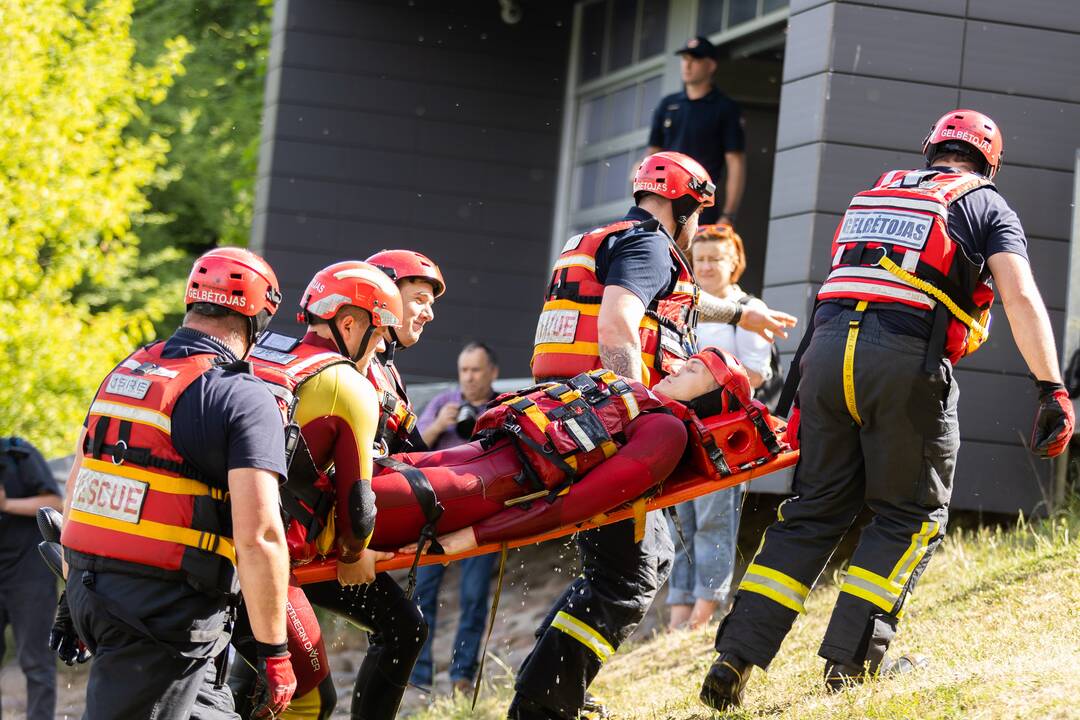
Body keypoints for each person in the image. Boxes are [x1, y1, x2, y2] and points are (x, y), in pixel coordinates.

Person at [699, 109, 1076, 711]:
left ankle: (734, 657)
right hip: (904, 361)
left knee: (812, 512)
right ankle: (851, 662)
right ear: (990, 163)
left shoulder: (875, 195)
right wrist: (1051, 387)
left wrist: (797, 396)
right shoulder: (986, 206)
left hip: (825, 356)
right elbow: (1019, 294)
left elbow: (837, 289)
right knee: (909, 513)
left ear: (932, 150)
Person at [513, 150, 796, 720]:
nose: (695, 227)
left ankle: (553, 689)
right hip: (598, 425)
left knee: (624, 567)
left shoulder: (608, 238)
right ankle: (545, 702)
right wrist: (630, 413)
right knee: (632, 571)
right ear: (684, 203)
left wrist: (743, 317)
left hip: (564, 418)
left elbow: (675, 304)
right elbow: (620, 320)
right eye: (696, 213)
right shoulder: (649, 244)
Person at [59, 248, 296, 719]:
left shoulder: (127, 372)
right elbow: (261, 535)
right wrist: (275, 650)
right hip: (162, 613)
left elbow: (78, 493)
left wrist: (71, 602)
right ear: (257, 317)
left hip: (96, 592)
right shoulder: (241, 396)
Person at [235, 260, 419, 720]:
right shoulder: (348, 385)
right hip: (262, 561)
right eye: (377, 336)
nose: (378, 348)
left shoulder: (258, 354)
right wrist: (355, 555)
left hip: (215, 544)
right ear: (350, 323)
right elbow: (359, 510)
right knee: (311, 701)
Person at [667, 224, 773, 631]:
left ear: (735, 263)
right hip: (682, 427)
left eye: (717, 259)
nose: (707, 266)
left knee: (714, 521)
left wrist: (705, 376)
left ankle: (704, 611)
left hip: (726, 433)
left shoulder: (749, 308)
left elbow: (757, 375)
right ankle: (677, 612)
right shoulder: (685, 305)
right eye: (701, 259)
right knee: (681, 524)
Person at [410, 341, 501, 695]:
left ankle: (462, 675)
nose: (469, 377)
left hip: (482, 512)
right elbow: (413, 450)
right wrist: (440, 425)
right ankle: (419, 677)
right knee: (423, 594)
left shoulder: (500, 406)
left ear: (492, 372)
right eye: (464, 370)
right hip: (437, 514)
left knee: (475, 595)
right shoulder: (443, 403)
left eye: (476, 370)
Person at [645, 36, 745, 226]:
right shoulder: (668, 104)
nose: (687, 65)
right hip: (661, 202)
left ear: (711, 65)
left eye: (695, 60)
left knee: (694, 256)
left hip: (701, 205)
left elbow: (736, 163)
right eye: (685, 59)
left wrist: (728, 215)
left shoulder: (725, 108)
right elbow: (652, 154)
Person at [0, 437, 63, 720]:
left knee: (36, 663)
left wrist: (6, 504)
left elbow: (55, 504)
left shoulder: (19, 454)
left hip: (29, 574)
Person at [365, 248, 446, 455]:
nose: (430, 315)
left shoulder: (387, 370)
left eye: (430, 304)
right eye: (419, 300)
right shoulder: (356, 364)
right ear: (383, 297)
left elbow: (416, 454)